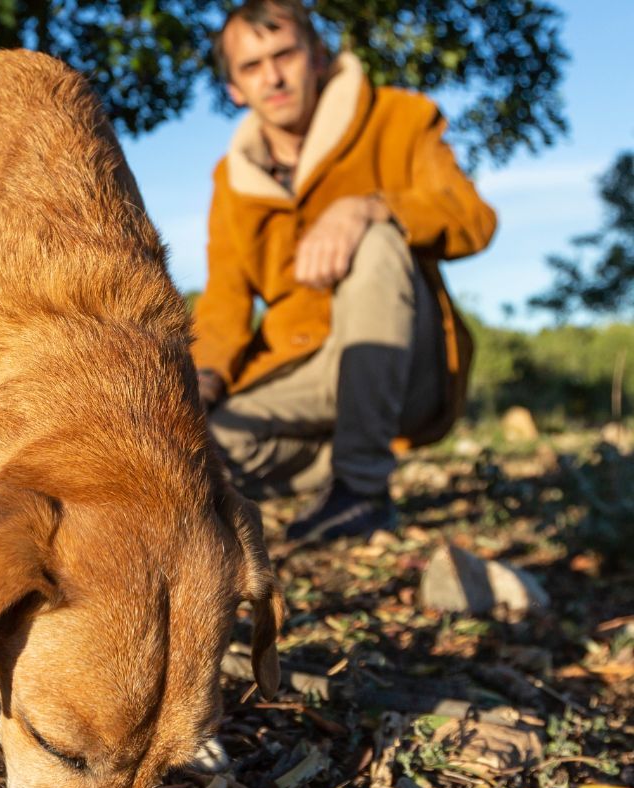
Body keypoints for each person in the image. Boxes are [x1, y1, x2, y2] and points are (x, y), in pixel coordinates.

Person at [192, 0, 497, 542]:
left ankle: (362, 491)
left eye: (284, 54)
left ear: (319, 56)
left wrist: (372, 207)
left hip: (405, 363)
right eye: (252, 66)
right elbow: (225, 300)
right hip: (304, 373)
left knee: (378, 242)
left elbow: (473, 218)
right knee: (202, 442)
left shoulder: (399, 117)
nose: (274, 76)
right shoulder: (228, 180)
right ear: (235, 89)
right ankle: (345, 458)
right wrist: (201, 381)